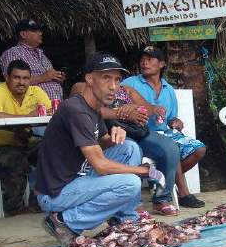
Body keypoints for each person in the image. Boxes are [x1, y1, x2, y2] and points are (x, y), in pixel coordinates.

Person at [35, 53, 164, 247]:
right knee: (129, 184)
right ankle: (63, 221)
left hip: (78, 176)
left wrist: (115, 132)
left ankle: (125, 219)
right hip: (56, 192)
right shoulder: (76, 110)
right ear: (89, 79)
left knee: (128, 147)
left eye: (117, 79)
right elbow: (101, 165)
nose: (113, 86)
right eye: (106, 78)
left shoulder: (92, 108)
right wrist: (145, 171)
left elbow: (102, 142)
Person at [70, 81, 185, 217]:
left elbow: (148, 108)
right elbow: (87, 109)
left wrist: (136, 108)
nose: (113, 81)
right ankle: (133, 204)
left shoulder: (127, 90)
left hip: (137, 130)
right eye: (107, 75)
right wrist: (120, 112)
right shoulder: (84, 87)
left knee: (170, 147)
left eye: (117, 77)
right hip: (112, 132)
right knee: (131, 149)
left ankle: (162, 198)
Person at [122, 46, 206, 208]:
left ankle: (163, 180)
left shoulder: (168, 89)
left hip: (166, 133)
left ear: (161, 64)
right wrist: (147, 109)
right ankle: (183, 193)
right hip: (142, 134)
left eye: (150, 59)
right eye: (142, 60)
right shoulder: (130, 83)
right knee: (171, 148)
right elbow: (119, 98)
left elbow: (171, 118)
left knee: (199, 149)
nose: (145, 63)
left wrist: (176, 122)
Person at [0, 60, 51, 215]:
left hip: (27, 143)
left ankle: (38, 204)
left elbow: (49, 111)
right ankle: (14, 211)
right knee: (14, 158)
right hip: (1, 147)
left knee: (52, 150)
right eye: (17, 77)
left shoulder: (36, 91)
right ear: (7, 78)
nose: (21, 82)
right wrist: (25, 116)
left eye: (25, 78)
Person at [0, 19, 65, 102]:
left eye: (40, 31)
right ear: (23, 34)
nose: (40, 33)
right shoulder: (13, 53)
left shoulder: (42, 55)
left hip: (54, 105)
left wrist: (57, 78)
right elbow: (12, 82)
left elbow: (49, 76)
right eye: (35, 31)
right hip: (31, 108)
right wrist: (43, 77)